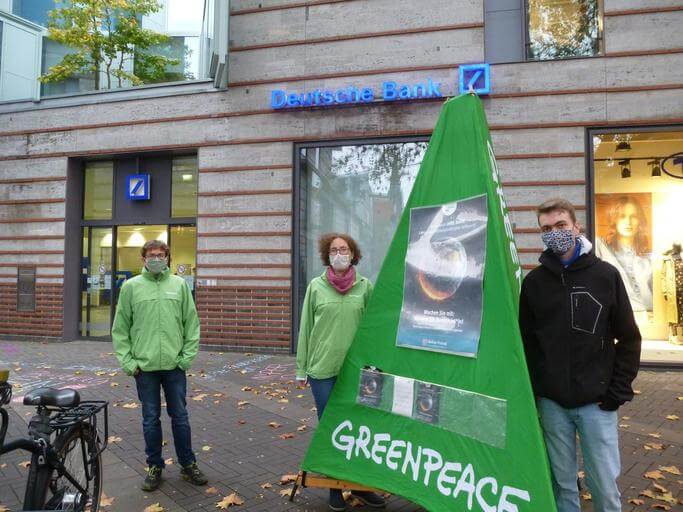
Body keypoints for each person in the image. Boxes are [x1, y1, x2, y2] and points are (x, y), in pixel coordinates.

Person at [519, 199, 641, 512]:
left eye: (560, 225)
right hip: (553, 405)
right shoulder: (533, 284)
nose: (554, 233)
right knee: (562, 487)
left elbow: (628, 338)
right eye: (546, 228)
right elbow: (528, 343)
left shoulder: (605, 276)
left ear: (576, 227)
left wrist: (616, 392)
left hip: (597, 404)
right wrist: (538, 391)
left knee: (604, 488)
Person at [296, 233, 385, 511]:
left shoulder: (365, 286)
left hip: (356, 373)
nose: (338, 254)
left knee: (360, 430)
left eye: (343, 249)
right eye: (333, 250)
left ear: (353, 253)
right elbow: (306, 329)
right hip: (322, 371)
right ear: (327, 255)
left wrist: (376, 365)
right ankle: (334, 488)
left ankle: (360, 487)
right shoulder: (316, 287)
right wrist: (301, 369)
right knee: (331, 429)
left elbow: (373, 330)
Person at [112, 240, 207, 491]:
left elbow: (191, 324)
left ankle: (188, 464)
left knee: (181, 418)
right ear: (143, 259)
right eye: (151, 255)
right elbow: (120, 329)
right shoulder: (131, 287)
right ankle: (155, 466)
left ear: (168, 258)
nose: (156, 258)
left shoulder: (179, 285)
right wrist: (129, 363)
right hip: (145, 368)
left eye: (161, 255)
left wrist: (185, 358)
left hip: (175, 366)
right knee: (150, 419)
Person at [595, 196, 653, 311]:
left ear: (639, 220)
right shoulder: (601, 246)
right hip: (618, 317)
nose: (628, 222)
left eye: (633, 216)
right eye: (622, 216)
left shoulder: (648, 257)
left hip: (649, 315)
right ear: (614, 220)